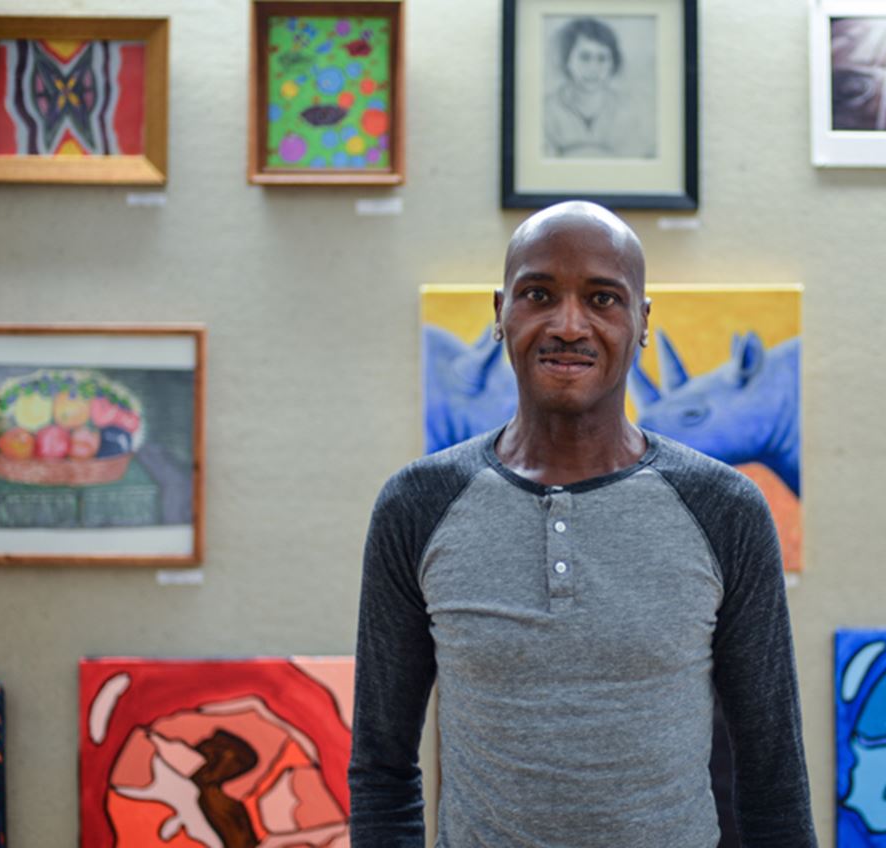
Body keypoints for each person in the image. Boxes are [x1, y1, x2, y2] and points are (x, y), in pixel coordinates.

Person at [349, 201, 816, 847]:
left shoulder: (725, 508)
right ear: (500, 313)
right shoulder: (416, 505)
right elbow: (381, 767)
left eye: (603, 299)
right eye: (538, 294)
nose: (569, 324)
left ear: (642, 322)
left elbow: (772, 779)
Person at [543, 18, 655, 158]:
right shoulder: (546, 112)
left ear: (613, 63)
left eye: (602, 58)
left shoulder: (630, 111)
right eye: (585, 57)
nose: (594, 68)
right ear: (567, 61)